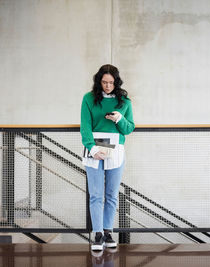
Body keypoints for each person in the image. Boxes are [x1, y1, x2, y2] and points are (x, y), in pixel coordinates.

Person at [80, 64, 135, 251]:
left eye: (111, 82)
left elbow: (129, 129)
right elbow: (85, 126)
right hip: (95, 146)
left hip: (115, 148)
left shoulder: (124, 101)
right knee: (95, 194)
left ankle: (108, 231)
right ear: (99, 81)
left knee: (111, 194)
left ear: (116, 82)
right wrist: (92, 148)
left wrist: (120, 118)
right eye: (104, 82)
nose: (108, 86)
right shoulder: (88, 99)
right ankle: (97, 234)